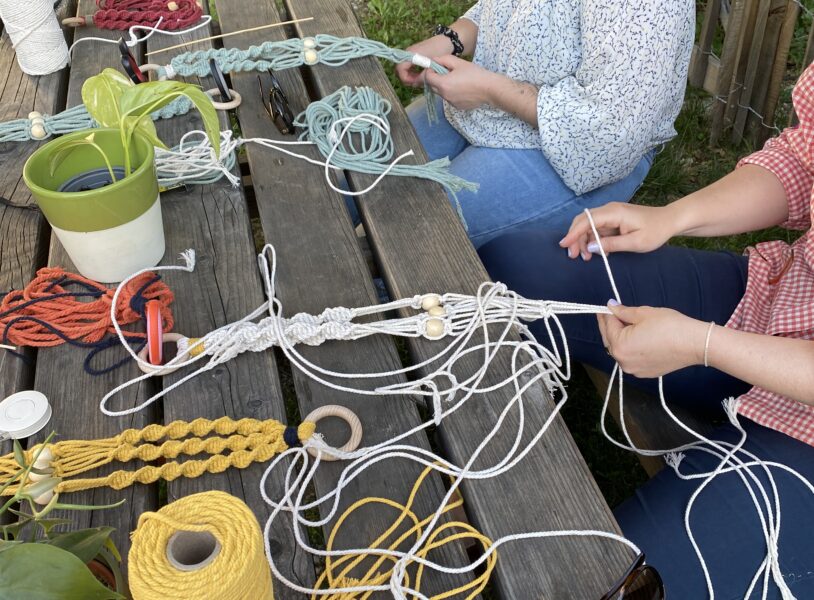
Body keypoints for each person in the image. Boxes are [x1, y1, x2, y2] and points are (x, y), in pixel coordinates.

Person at [476, 63, 814, 598]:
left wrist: (700, 343)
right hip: (784, 300)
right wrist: (672, 217)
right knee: (511, 275)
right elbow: (803, 160)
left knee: (613, 585)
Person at [394, 0, 694, 248]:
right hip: (489, 95)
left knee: (409, 234)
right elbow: (506, 9)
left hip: (576, 149)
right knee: (363, 173)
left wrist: (489, 90)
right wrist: (450, 40)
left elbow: (613, 131)